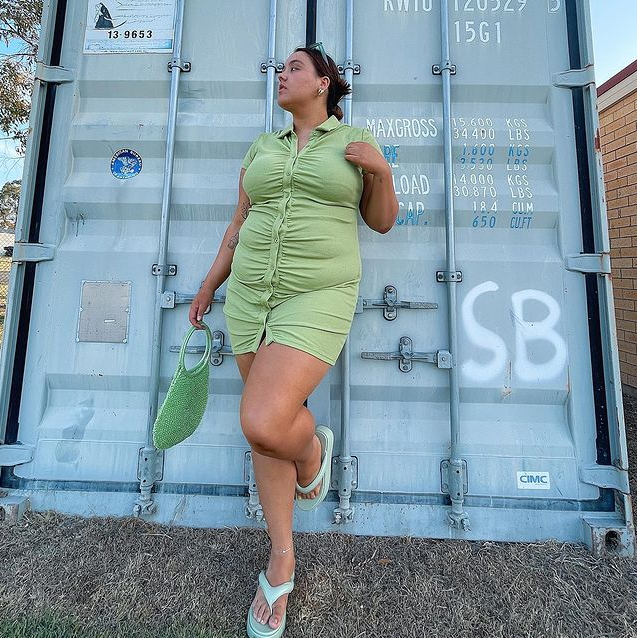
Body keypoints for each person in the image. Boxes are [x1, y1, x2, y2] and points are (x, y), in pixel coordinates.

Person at [189, 42, 398, 637]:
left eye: (294, 68)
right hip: (250, 296)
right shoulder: (263, 148)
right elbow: (238, 223)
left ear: (324, 83)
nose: (282, 75)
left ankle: (314, 453)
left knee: (262, 418)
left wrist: (381, 172)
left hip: (318, 295)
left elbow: (381, 220)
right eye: (280, 69)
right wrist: (209, 286)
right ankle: (282, 555)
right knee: (265, 432)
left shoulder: (355, 143)